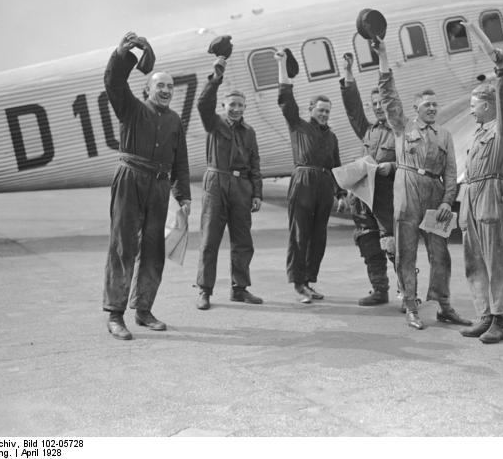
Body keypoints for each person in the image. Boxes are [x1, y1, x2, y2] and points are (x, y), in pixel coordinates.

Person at [374, 38, 470, 330]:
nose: (432, 108)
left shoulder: (445, 135)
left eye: (435, 104)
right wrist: (383, 58)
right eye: (426, 105)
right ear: (415, 108)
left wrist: (446, 200)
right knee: (406, 252)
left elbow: (452, 172)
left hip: (435, 195)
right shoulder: (403, 127)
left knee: (440, 253)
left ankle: (443, 305)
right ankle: (411, 306)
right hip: (408, 192)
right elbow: (389, 97)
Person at [102, 31, 191, 340]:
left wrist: (183, 195)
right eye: (159, 86)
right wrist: (121, 54)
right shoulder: (131, 109)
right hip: (130, 179)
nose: (165, 90)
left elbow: (180, 158)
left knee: (154, 250)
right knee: (124, 246)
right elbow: (114, 83)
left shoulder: (175, 120)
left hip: (159, 186)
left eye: (169, 86)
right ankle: (115, 314)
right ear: (147, 89)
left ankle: (143, 310)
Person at [457, 22, 503, 344]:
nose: (471, 113)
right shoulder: (479, 132)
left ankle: (499, 320)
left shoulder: (502, 126)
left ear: (487, 104)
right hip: (471, 194)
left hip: (492, 194)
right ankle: (483, 314)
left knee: (496, 260)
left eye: (474, 107)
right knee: (474, 260)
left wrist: (499, 69)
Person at [195, 44, 264, 310]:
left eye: (240, 105)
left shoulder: (250, 132)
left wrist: (257, 192)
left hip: (241, 187)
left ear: (245, 107)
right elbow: (203, 104)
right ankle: (204, 290)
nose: (236, 109)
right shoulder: (214, 123)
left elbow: (255, 163)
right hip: (216, 183)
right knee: (210, 239)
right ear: (224, 106)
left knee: (243, 240)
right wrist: (216, 77)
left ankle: (240, 288)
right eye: (231, 105)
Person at [276, 50, 348, 304]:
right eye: (320, 110)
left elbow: (336, 166)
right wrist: (283, 64)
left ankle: (308, 281)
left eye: (327, 111)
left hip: (324, 186)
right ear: (310, 110)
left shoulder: (332, 137)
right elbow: (286, 99)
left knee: (318, 236)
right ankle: (297, 283)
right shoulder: (298, 126)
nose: (324, 114)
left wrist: (340, 193)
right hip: (303, 183)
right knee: (299, 234)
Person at [339, 52, 398, 306]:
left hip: (388, 201)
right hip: (364, 201)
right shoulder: (368, 130)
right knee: (369, 245)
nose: (377, 107)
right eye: (373, 104)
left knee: (396, 249)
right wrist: (348, 73)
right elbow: (353, 109)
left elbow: (415, 162)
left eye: (380, 102)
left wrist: (392, 166)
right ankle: (379, 290)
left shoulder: (401, 131)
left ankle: (408, 294)